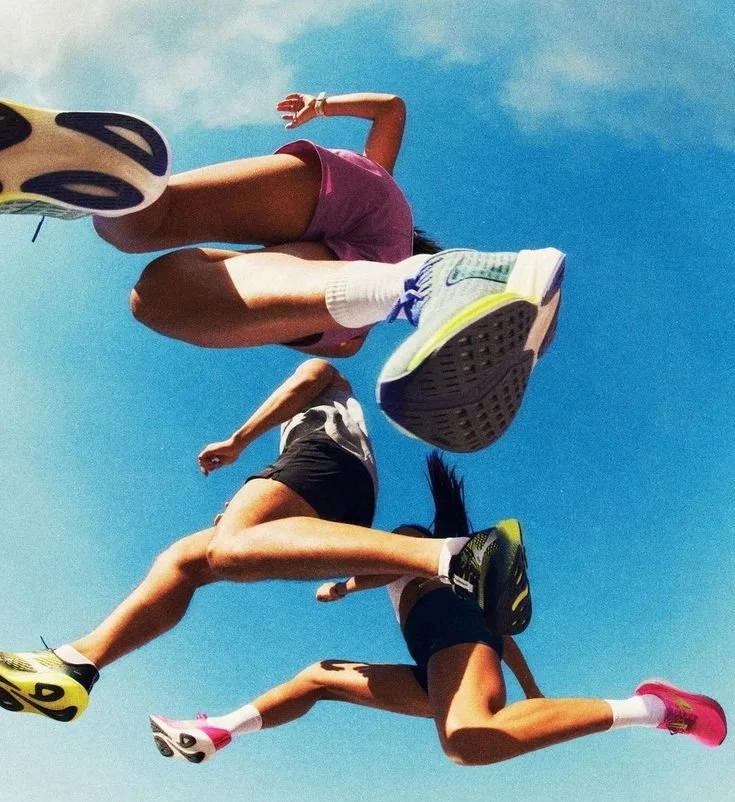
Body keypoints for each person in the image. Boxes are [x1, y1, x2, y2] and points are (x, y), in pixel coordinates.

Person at [0, 93, 565, 451]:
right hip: (369, 248)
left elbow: (392, 106)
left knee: (153, 249)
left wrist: (321, 105)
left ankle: (94, 178)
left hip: (359, 190)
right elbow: (299, 328)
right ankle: (435, 281)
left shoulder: (385, 187)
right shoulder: (365, 291)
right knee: (177, 301)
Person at [0, 362, 531, 726]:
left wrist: (238, 442)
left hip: (323, 459)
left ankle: (457, 556)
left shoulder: (325, 376)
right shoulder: (338, 439)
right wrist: (271, 518)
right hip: (336, 480)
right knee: (187, 559)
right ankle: (78, 663)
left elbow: (305, 382)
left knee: (225, 549)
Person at [148, 453, 728, 765]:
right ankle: (220, 729)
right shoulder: (441, 567)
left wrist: (347, 586)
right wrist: (532, 694)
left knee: (467, 742)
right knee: (320, 677)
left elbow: (397, 570)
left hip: (453, 633)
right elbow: (502, 636)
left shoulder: (410, 539)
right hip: (439, 656)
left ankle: (657, 707)